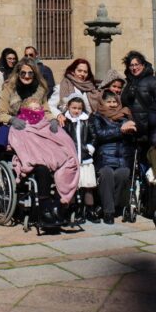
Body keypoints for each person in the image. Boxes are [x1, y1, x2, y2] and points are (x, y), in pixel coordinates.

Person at [7, 99, 79, 230]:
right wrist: (35, 157)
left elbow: (64, 140)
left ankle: (58, 208)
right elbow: (19, 144)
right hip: (34, 160)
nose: (36, 110)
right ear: (25, 109)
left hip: (54, 159)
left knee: (66, 168)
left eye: (38, 108)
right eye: (32, 108)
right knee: (42, 169)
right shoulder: (19, 125)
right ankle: (44, 209)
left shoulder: (47, 123)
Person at [91, 90, 137, 224]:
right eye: (108, 102)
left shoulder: (125, 117)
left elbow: (132, 139)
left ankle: (108, 206)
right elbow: (100, 134)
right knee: (107, 174)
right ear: (102, 103)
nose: (112, 104)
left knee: (123, 174)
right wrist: (121, 130)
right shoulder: (96, 117)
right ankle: (109, 212)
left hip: (123, 158)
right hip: (104, 158)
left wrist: (132, 131)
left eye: (114, 102)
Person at [60, 93, 96, 222]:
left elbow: (94, 135)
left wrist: (90, 148)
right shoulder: (65, 121)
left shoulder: (87, 120)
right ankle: (72, 210)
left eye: (79, 108)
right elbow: (62, 138)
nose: (76, 111)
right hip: (71, 160)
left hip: (85, 160)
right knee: (73, 187)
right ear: (68, 107)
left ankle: (89, 210)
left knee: (88, 186)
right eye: (74, 108)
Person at [121, 51, 156, 145]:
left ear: (143, 65)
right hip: (130, 129)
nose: (134, 68)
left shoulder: (154, 82)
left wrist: (154, 122)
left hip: (150, 130)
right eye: (131, 65)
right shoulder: (126, 83)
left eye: (137, 64)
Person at [0, 58, 51, 126]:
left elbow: (46, 111)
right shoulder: (9, 88)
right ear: (18, 74)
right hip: (12, 124)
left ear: (34, 74)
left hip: (35, 124)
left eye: (30, 73)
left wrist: (53, 119)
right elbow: (0, 113)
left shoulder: (40, 89)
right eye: (23, 73)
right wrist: (12, 119)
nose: (27, 76)